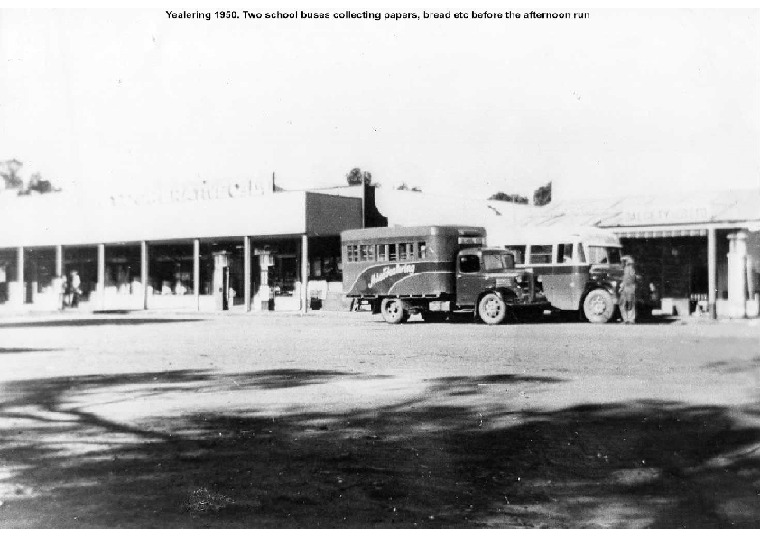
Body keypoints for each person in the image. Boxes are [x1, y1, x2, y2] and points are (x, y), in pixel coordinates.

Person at [618, 256, 637, 324]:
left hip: (627, 288)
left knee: (623, 304)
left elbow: (627, 279)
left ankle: (627, 319)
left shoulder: (627, 269)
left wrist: (621, 287)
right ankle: (630, 319)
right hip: (630, 288)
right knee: (629, 304)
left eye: (623, 261)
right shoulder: (631, 269)